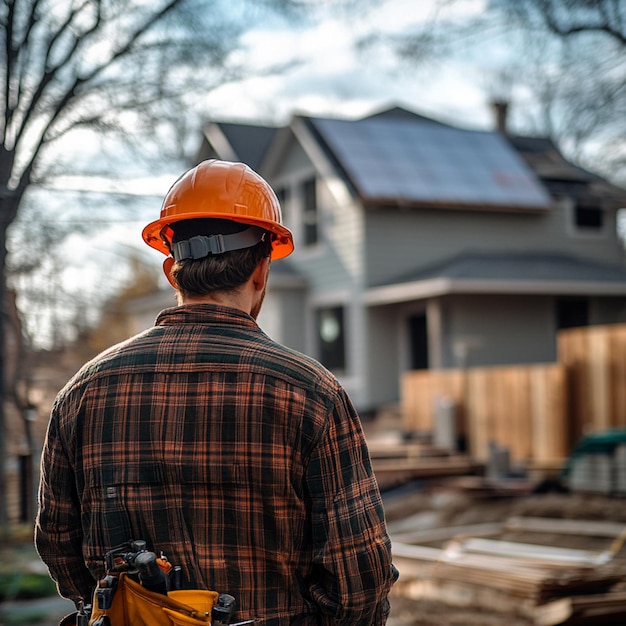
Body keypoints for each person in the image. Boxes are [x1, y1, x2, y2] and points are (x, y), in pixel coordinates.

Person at [35, 159, 398, 625]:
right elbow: (359, 581)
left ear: (172, 271)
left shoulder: (82, 393)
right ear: (262, 272)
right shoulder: (312, 394)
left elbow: (58, 545)